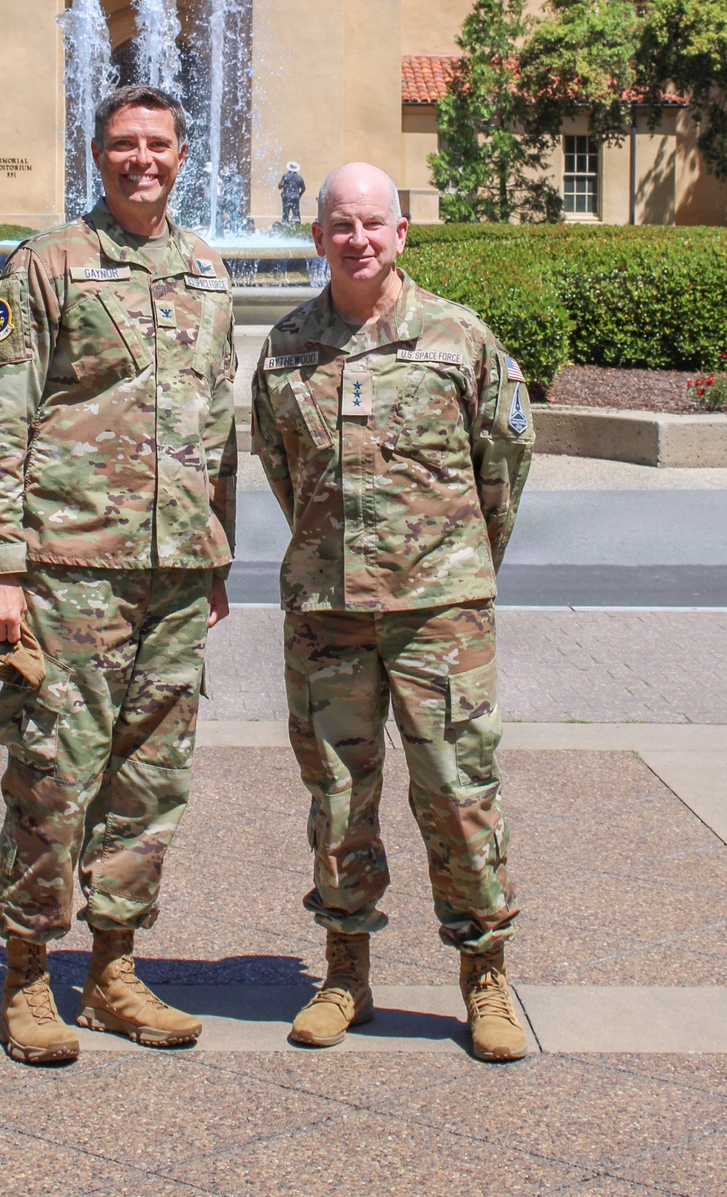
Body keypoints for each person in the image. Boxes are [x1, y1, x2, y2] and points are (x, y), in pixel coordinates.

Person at [0, 83, 237, 1065]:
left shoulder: (206, 268)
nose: (141, 158)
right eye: (124, 143)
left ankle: (112, 971)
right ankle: (27, 976)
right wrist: (3, 566)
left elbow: (216, 426)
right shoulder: (47, 265)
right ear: (98, 152)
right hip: (69, 574)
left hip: (175, 579)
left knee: (150, 785)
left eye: (158, 143)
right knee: (51, 776)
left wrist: (217, 553)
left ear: (183, 155)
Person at [250, 162, 534, 1062]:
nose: (359, 239)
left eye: (375, 223)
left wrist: (457, 561)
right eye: (342, 225)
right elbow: (279, 467)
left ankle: (484, 973)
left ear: (402, 233)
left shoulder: (459, 341)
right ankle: (345, 971)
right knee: (337, 799)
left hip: (440, 615)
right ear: (318, 235)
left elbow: (506, 462)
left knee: (458, 794)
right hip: (328, 615)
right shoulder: (288, 346)